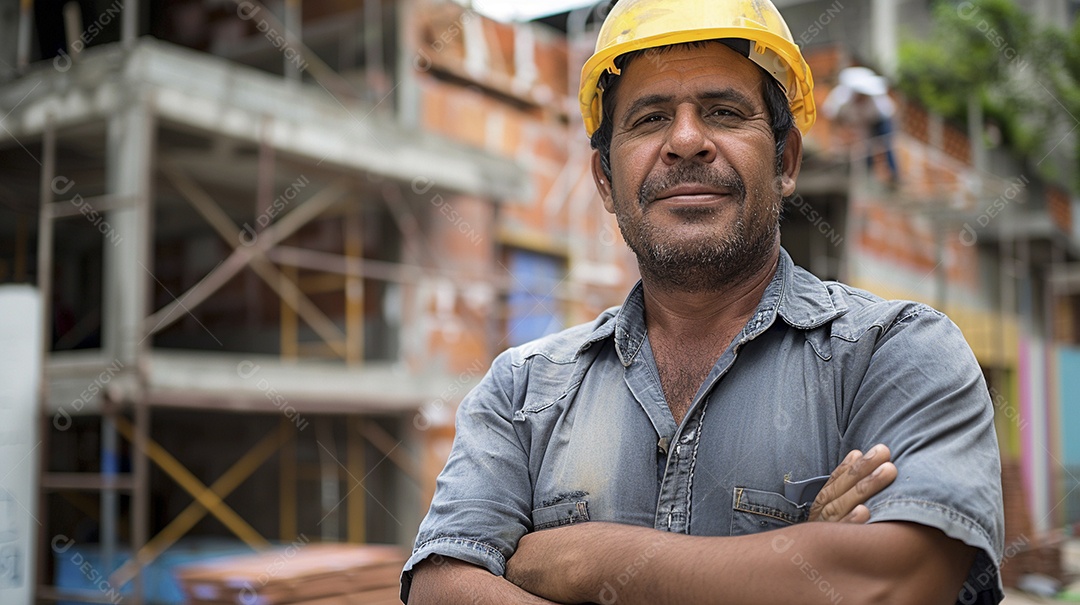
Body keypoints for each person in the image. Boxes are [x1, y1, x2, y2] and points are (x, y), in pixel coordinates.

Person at [402, 0, 1004, 603]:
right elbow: (440, 587)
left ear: (785, 160)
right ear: (606, 181)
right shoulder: (522, 392)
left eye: (723, 111)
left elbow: (898, 577)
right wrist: (796, 563)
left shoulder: (895, 353)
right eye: (649, 118)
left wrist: (587, 559)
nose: (686, 141)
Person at [822, 66, 900, 186]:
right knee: (862, 149)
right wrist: (835, 140)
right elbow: (833, 118)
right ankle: (866, 175)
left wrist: (877, 140)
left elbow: (887, 117)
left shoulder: (878, 104)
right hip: (861, 123)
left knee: (885, 146)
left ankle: (894, 177)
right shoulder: (840, 99)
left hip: (879, 122)